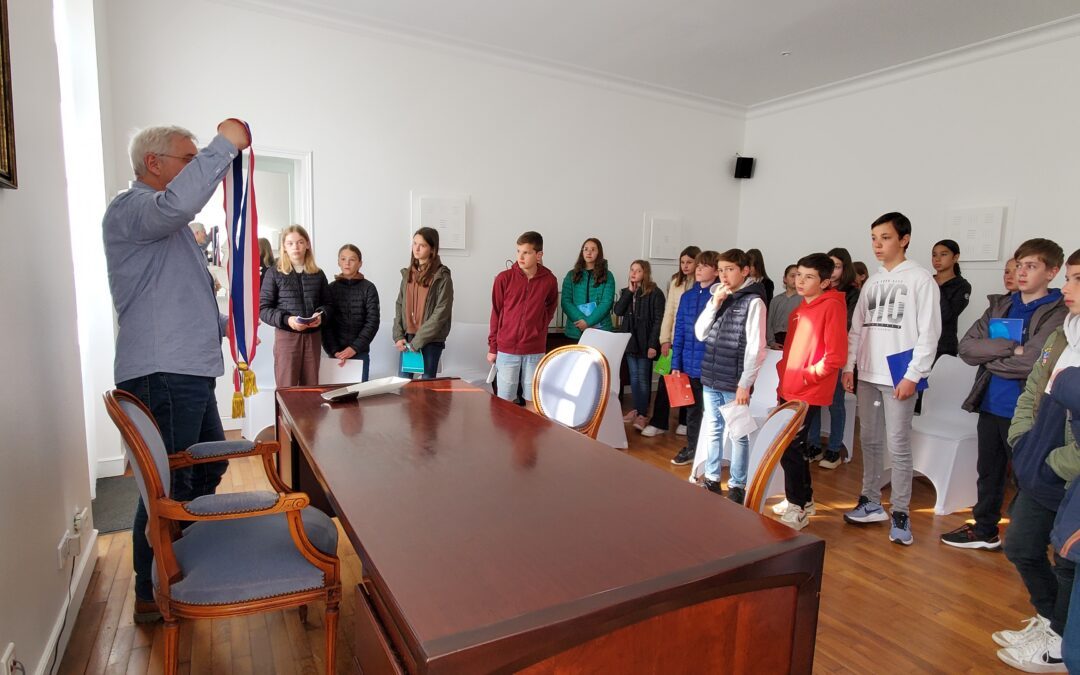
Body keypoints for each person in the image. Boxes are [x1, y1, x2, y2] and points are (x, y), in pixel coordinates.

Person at [103, 119, 251, 623]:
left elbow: (182, 299)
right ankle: (154, 590)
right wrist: (223, 147)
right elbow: (178, 204)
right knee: (164, 488)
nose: (198, 168)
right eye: (189, 160)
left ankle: (179, 560)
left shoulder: (163, 227)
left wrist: (237, 324)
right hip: (162, 374)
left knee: (206, 467)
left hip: (185, 373)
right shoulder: (134, 209)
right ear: (154, 164)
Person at [942, 239, 1066, 550]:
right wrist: (1012, 348)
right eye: (1019, 265)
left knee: (1026, 478)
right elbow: (967, 347)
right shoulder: (1001, 304)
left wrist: (994, 356)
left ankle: (1029, 541)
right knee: (988, 472)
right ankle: (984, 530)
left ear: (1052, 272)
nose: (1022, 273)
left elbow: (1035, 361)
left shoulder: (1058, 311)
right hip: (990, 401)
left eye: (1031, 266)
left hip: (1027, 411)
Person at [993, 249, 1080, 672]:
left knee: (1067, 563)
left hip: (1066, 473)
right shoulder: (1063, 332)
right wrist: (1021, 438)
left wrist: (1055, 464)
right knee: (1021, 546)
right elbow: (1032, 389)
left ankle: (1064, 642)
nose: (1067, 288)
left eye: (1077, 279)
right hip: (1037, 461)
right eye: (1069, 278)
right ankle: (1051, 620)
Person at [842, 212, 941, 545]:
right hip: (868, 374)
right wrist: (849, 366)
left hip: (899, 374)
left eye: (884, 237)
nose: (877, 245)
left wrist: (914, 374)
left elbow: (930, 334)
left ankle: (901, 512)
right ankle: (871, 501)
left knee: (898, 446)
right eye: (873, 238)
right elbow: (856, 329)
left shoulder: (920, 279)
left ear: (904, 238)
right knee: (868, 441)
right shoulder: (872, 281)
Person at [774, 253, 848, 529]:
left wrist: (806, 376)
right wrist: (785, 375)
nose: (800, 281)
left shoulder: (832, 307)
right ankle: (802, 500)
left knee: (789, 447)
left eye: (809, 276)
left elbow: (835, 357)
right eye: (798, 275)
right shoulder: (800, 309)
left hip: (807, 391)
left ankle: (798, 507)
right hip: (789, 387)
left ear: (826, 281)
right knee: (793, 447)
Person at [692, 249, 767, 504]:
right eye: (721, 269)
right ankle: (712, 479)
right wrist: (715, 304)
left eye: (730, 269)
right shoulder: (718, 296)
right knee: (713, 428)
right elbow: (700, 333)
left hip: (735, 381)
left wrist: (745, 383)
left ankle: (737, 484)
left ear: (745, 271)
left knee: (738, 433)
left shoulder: (754, 301)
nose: (723, 275)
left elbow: (756, 347)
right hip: (711, 375)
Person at [487, 231, 559, 407]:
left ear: (539, 255)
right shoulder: (504, 278)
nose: (520, 256)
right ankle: (505, 435)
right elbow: (496, 312)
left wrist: (539, 327)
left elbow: (550, 307)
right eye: (518, 251)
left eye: (526, 252)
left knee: (532, 400)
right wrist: (493, 346)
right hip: (507, 349)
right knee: (505, 401)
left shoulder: (549, 280)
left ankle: (528, 435)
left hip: (535, 349)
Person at [260, 225, 332, 387]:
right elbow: (263, 309)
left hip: (313, 338)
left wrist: (321, 316)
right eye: (290, 243)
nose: (296, 247)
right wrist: (288, 320)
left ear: (307, 244)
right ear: (284, 247)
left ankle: (311, 414)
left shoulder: (318, 273)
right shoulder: (274, 273)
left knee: (311, 388)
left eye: (300, 242)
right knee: (287, 388)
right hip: (286, 338)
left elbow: (328, 304)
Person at [808, 247, 860, 469]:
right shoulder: (821, 289)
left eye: (837, 266)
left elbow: (848, 326)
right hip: (817, 351)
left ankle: (834, 448)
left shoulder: (852, 293)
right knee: (813, 401)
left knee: (836, 403)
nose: (833, 270)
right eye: (830, 266)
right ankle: (812, 444)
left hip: (839, 353)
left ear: (845, 268)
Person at [641, 246, 700, 438]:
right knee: (667, 382)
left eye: (689, 262)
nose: (685, 266)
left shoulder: (703, 283)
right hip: (674, 341)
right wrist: (664, 340)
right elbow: (669, 313)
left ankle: (684, 421)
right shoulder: (676, 282)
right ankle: (659, 422)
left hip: (693, 343)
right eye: (682, 262)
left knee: (688, 382)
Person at [669, 251, 721, 467]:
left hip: (711, 365)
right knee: (691, 409)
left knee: (712, 412)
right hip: (688, 364)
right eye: (698, 266)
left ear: (716, 271)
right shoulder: (687, 296)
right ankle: (692, 447)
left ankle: (711, 453)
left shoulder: (721, 295)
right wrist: (675, 364)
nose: (698, 269)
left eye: (704, 266)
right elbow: (679, 330)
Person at [393, 227, 454, 379]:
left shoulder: (442, 277)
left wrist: (418, 341)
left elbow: (441, 312)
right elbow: (400, 305)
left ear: (432, 249)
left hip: (431, 340)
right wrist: (398, 335)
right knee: (402, 384)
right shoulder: (407, 274)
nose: (417, 248)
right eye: (414, 243)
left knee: (426, 388)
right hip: (408, 338)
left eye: (422, 245)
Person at [614, 260, 666, 430]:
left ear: (646, 273)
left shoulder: (655, 293)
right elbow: (618, 311)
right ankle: (636, 410)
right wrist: (629, 292)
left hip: (645, 343)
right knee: (634, 378)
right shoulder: (627, 292)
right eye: (632, 270)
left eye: (638, 270)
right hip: (630, 342)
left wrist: (653, 345)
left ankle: (643, 414)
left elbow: (659, 321)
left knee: (643, 379)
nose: (634, 273)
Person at [322, 244, 380, 382]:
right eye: (343, 259)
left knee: (358, 397)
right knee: (335, 397)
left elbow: (372, 321)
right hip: (335, 353)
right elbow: (325, 323)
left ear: (360, 263)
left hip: (359, 352)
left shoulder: (369, 288)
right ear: (338, 262)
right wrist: (334, 350)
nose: (347, 263)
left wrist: (354, 348)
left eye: (352, 259)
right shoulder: (330, 288)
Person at [561, 238, 616, 340]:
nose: (589, 252)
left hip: (601, 331)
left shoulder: (608, 276)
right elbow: (566, 302)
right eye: (585, 249)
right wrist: (582, 320)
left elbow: (606, 303)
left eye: (593, 249)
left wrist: (588, 322)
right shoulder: (571, 275)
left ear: (599, 252)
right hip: (576, 330)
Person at [932, 238, 973, 358]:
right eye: (934, 255)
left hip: (943, 347)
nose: (937, 259)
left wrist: (935, 286)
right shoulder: (926, 281)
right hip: (917, 343)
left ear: (955, 257)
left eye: (943, 254)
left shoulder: (962, 286)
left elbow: (946, 315)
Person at [767, 264, 800, 349]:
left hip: (796, 339)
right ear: (785, 279)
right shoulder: (775, 300)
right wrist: (771, 342)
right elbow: (769, 323)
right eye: (792, 276)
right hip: (777, 339)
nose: (795, 279)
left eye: (798, 276)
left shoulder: (804, 300)